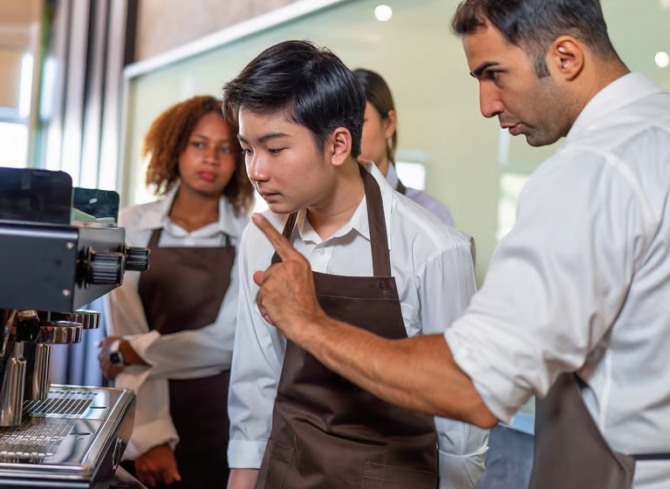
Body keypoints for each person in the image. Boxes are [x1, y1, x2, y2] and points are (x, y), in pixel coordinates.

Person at [249, 1, 670, 488]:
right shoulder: (655, 133)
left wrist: (310, 322)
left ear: (566, 57)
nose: (486, 104)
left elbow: (472, 385)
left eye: (494, 73)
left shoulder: (594, 170)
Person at [223, 40, 488, 489]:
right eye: (248, 149)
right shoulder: (261, 236)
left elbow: (460, 428)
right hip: (287, 474)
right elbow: (255, 385)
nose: (256, 171)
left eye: (275, 148)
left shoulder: (434, 249)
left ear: (338, 144)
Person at [98, 95, 254, 488]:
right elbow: (125, 327)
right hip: (135, 413)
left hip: (216, 415)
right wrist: (150, 438)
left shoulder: (250, 235)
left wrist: (133, 351)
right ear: (175, 147)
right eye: (198, 144)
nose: (211, 159)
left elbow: (229, 343)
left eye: (226, 149)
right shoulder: (130, 225)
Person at [353, 68, 456, 226]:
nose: (348, 135)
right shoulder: (321, 214)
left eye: (360, 122)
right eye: (340, 124)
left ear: (389, 124)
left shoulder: (429, 214)